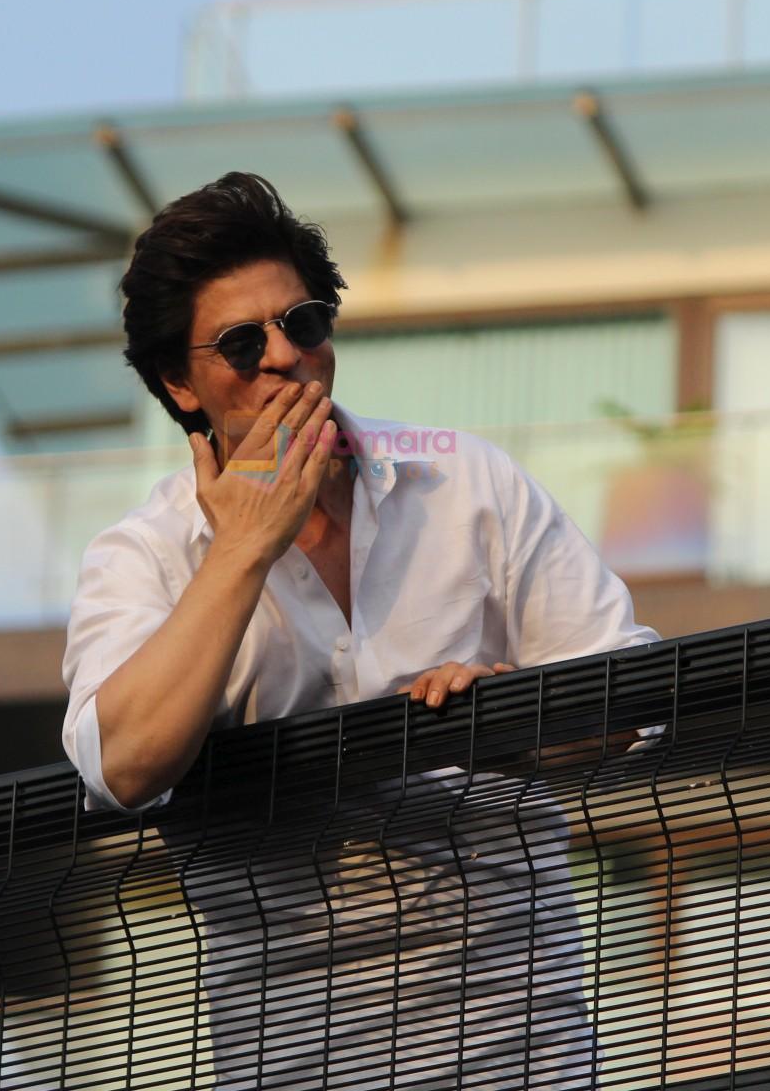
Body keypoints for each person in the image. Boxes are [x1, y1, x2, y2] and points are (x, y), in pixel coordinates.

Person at [60, 172, 659, 1089]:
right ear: (181, 385)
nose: (284, 358)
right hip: (296, 1065)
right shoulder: (144, 554)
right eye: (239, 343)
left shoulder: (466, 481)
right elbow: (123, 764)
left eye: (301, 323)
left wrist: (519, 722)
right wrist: (245, 548)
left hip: (519, 1057)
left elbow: (637, 696)